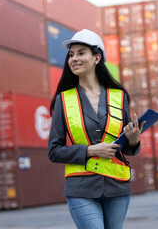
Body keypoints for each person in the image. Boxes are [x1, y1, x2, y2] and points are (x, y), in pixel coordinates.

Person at [48, 29, 145, 229]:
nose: (74, 58)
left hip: (117, 186)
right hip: (80, 187)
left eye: (81, 53)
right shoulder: (63, 100)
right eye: (71, 55)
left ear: (96, 58)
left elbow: (126, 148)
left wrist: (134, 139)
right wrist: (91, 150)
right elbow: (54, 151)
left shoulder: (119, 97)